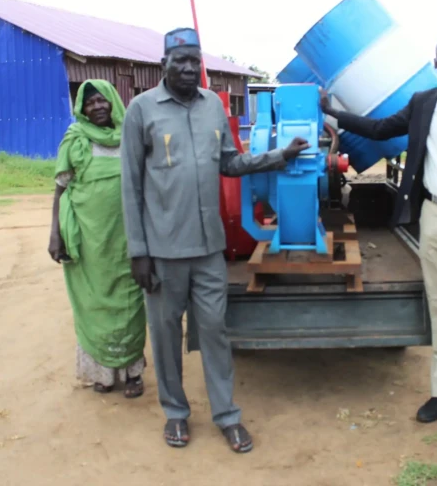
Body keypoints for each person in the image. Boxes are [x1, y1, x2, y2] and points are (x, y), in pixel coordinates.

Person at [120, 27, 309, 453]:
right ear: (163, 64)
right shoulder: (141, 110)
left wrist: (280, 155)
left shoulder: (212, 108)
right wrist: (139, 252)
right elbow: (129, 187)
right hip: (163, 252)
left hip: (208, 250)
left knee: (215, 333)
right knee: (166, 337)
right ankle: (176, 414)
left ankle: (227, 416)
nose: (188, 68)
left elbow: (230, 161)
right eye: (179, 60)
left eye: (194, 60)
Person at [320, 35, 437, 427]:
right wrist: (333, 113)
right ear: (436, 62)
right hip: (434, 219)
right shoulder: (423, 103)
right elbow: (378, 129)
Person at [48, 80, 147, 399]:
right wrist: (55, 234)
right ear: (81, 109)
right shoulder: (75, 139)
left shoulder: (132, 135)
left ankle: (133, 374)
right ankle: (101, 373)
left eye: (103, 100)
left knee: (130, 303)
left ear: (114, 102)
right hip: (89, 240)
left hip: (127, 237)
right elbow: (61, 187)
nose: (98, 107)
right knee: (93, 303)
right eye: (89, 103)